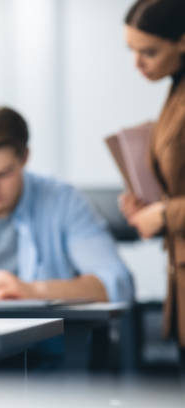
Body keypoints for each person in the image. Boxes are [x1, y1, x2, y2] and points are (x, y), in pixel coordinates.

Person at [0, 107, 134, 303]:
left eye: (3, 174)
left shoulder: (64, 201)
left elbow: (118, 283)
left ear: (24, 158)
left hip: (51, 333)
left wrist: (34, 291)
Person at [120, 0, 185, 357]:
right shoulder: (175, 90)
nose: (137, 63)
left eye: (149, 52)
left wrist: (164, 214)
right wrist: (150, 205)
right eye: (132, 50)